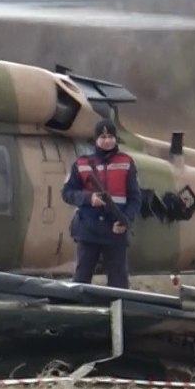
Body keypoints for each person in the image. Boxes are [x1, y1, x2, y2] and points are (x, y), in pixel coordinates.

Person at [61, 118, 141, 289]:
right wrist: (89, 199)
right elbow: (67, 193)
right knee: (81, 279)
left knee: (118, 281)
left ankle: (118, 313)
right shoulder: (81, 164)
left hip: (115, 232)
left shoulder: (126, 163)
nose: (107, 141)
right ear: (96, 139)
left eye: (110, 136)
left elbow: (135, 198)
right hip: (88, 230)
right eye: (103, 137)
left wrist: (125, 219)